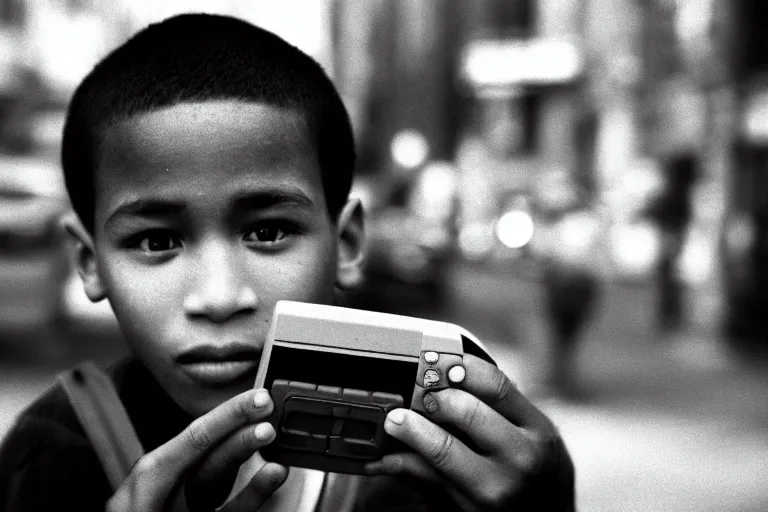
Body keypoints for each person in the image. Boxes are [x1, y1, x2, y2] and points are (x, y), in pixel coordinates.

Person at [0, 14, 574, 512]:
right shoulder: (54, 457)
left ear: (346, 244)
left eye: (267, 231)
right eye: (156, 243)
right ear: (88, 261)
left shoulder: (427, 463)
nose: (220, 298)